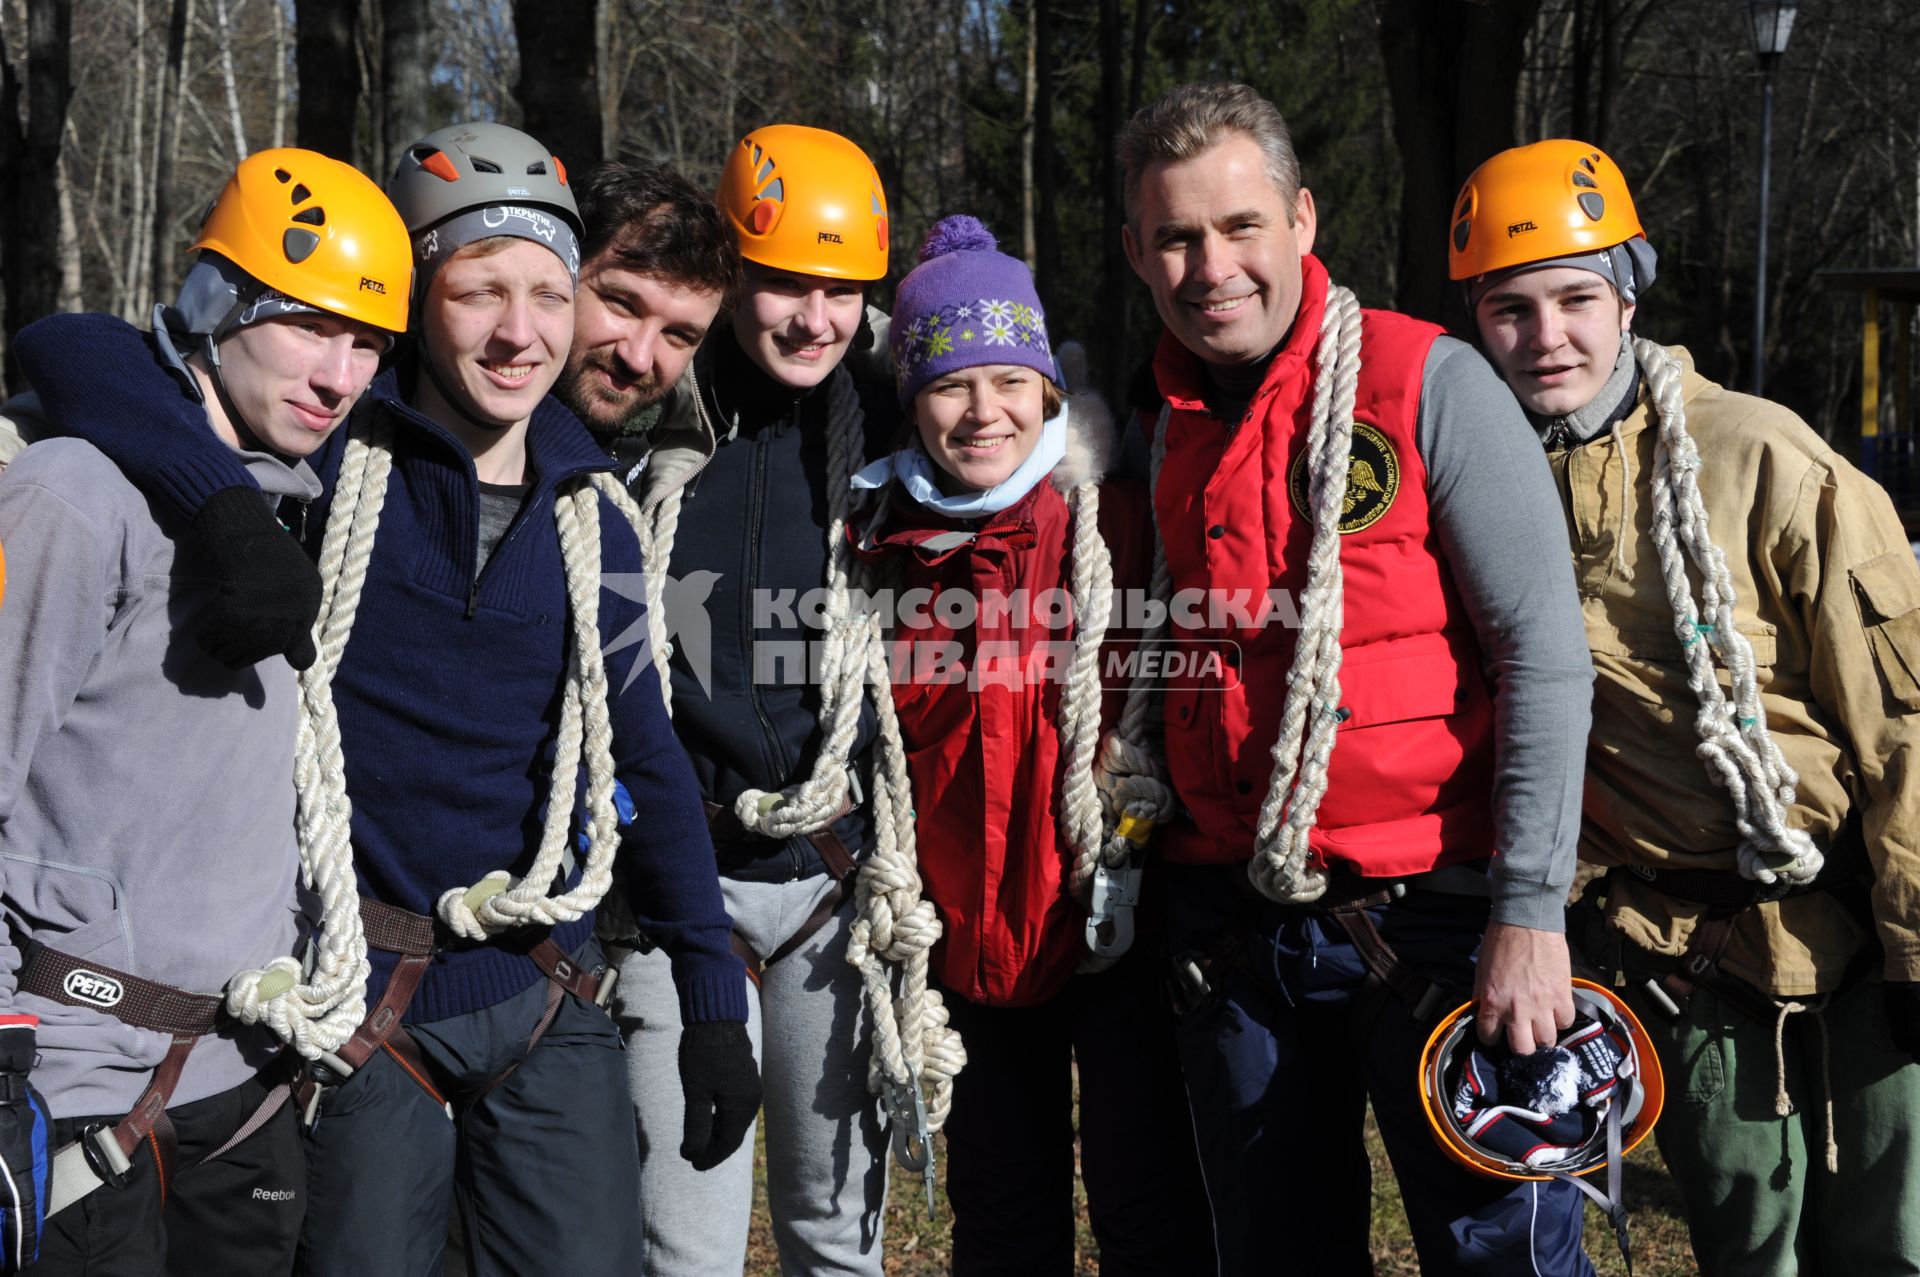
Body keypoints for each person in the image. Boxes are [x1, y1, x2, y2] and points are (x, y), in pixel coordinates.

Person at [12, 122, 759, 1277]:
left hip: (535, 978)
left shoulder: (596, 514)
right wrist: (216, 504)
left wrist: (712, 990)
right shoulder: (327, 450)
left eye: (548, 297)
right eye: (481, 292)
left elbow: (645, 751)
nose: (523, 332)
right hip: (355, 992)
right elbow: (80, 350)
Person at [1116, 81, 1602, 1274]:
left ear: (1303, 220)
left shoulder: (1427, 382)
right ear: (1136, 251)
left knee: (1506, 1256)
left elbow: (1544, 651)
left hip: (1433, 921)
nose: (1210, 265)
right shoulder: (1155, 423)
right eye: (1176, 236)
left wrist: (1530, 915)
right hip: (1233, 928)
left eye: (1239, 227)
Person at [1452, 138, 1920, 1275]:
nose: (1546, 335)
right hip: (1689, 953)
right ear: (1475, 323)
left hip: (1864, 930)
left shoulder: (1763, 461)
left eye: (1575, 297)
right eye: (1511, 308)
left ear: (1627, 295)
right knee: (1746, 1239)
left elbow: (1903, 719)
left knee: (1893, 1238)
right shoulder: (1464, 487)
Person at [0, 148, 410, 1275]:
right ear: (215, 303)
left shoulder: (304, 504)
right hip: (75, 1083)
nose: (339, 373)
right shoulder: (70, 498)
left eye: (368, 341)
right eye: (307, 324)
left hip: (242, 1086)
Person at [606, 122, 961, 1277]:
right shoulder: (650, 408)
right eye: (784, 285)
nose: (815, 316)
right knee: (683, 1248)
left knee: (836, 1238)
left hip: (831, 883)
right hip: (676, 884)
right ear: (732, 273)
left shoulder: (897, 428)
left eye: (843, 288)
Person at [846, 214, 1212, 1274]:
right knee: (1002, 1216)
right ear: (912, 397)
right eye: (951, 382)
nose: (982, 410)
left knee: (1150, 1206)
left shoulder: (1117, 523)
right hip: (965, 939)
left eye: (1009, 379)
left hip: (1117, 929)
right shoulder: (881, 548)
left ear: (1050, 387)